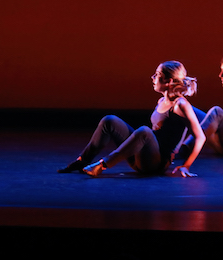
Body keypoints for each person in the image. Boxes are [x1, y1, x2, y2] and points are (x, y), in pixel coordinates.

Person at [58, 61, 206, 177]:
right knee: (109, 121)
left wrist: (186, 165)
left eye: (157, 74)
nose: (153, 78)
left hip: (156, 164)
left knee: (144, 131)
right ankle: (82, 161)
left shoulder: (181, 105)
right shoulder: (161, 101)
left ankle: (103, 165)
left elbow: (200, 137)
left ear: (169, 81)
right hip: (141, 157)